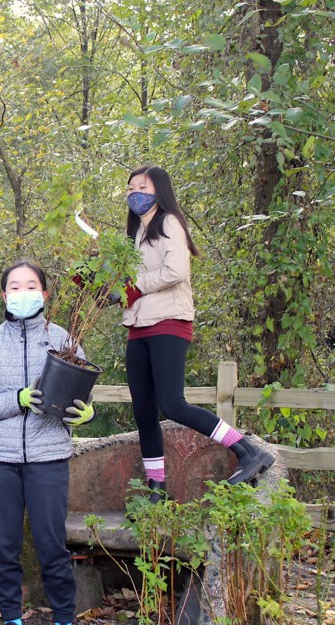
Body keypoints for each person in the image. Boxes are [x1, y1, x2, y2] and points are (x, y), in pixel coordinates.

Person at [121, 166, 274, 500]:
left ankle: (248, 451)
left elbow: (175, 271)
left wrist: (135, 286)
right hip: (138, 327)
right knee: (143, 410)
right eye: (130, 188)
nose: (134, 192)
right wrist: (102, 288)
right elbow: (130, 286)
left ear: (158, 191)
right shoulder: (134, 235)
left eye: (141, 186)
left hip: (169, 323)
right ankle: (157, 487)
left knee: (173, 404)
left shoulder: (169, 223)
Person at [0, 260, 95, 625]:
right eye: (15, 287)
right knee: (4, 548)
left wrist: (85, 414)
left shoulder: (64, 341)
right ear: (4, 294)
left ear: (44, 292)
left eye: (30, 286)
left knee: (52, 546)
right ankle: (11, 617)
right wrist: (18, 398)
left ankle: (64, 617)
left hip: (48, 459)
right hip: (0, 461)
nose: (23, 293)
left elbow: (79, 398)